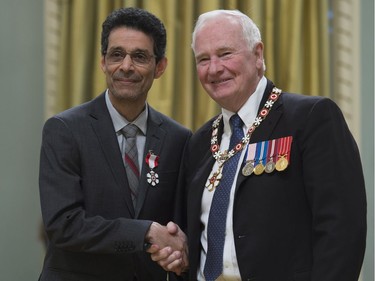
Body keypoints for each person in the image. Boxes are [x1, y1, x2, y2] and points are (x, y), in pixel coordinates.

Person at [153, 9, 367, 281]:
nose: (215, 68)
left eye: (225, 53)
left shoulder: (310, 118)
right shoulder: (199, 143)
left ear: (258, 55)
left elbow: (342, 230)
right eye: (203, 59)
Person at [38, 7, 190, 281]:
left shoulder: (178, 139)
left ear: (160, 67)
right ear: (103, 62)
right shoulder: (65, 130)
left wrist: (179, 255)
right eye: (117, 55)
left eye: (140, 57)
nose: (126, 66)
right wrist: (144, 232)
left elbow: (178, 228)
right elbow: (64, 226)